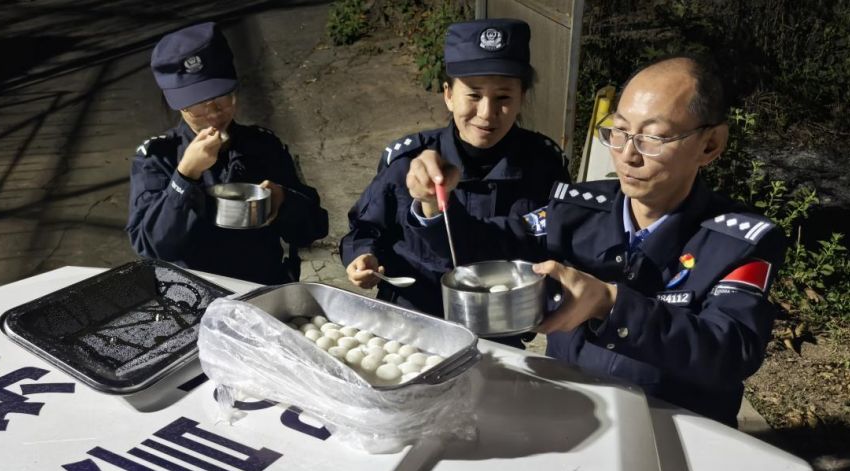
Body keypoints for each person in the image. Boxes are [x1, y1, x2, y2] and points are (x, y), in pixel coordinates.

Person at [520, 56, 785, 425]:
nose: (627, 155)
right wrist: (431, 207)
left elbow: (729, 350)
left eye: (654, 138)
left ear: (710, 145)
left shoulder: (737, 243)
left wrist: (612, 305)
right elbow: (492, 242)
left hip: (672, 437)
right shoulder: (577, 211)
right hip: (570, 418)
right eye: (619, 130)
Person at [339, 19, 570, 316]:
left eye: (503, 98)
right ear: (449, 95)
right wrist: (362, 256)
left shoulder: (544, 167)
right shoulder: (409, 161)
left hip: (497, 327)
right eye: (473, 95)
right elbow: (365, 226)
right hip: (410, 320)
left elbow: (559, 249)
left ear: (521, 98)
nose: (487, 114)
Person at [127, 22, 328, 285]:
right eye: (196, 106)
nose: (212, 114)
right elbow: (152, 246)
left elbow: (313, 228)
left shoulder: (262, 145)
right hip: (192, 300)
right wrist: (185, 176)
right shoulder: (157, 156)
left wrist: (284, 201)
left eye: (221, 98)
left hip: (261, 291)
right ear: (175, 103)